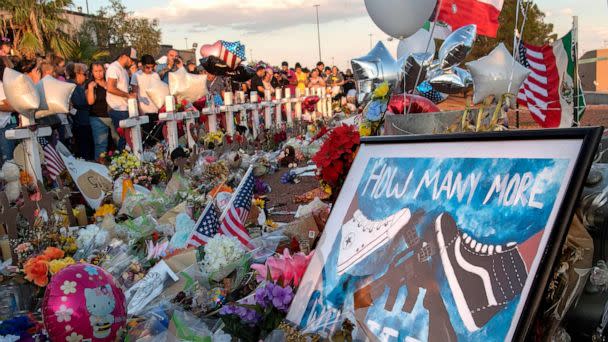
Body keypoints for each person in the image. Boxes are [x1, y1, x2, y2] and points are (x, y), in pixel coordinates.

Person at [106, 47, 137, 151]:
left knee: (128, 138)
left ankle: (126, 161)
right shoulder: (114, 68)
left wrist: (129, 93)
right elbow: (110, 88)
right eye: (131, 59)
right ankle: (120, 162)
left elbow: (122, 88)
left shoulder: (123, 69)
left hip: (124, 107)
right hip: (117, 108)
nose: (132, 62)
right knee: (124, 137)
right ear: (124, 56)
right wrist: (127, 95)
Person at [130, 54, 163, 147]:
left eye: (152, 67)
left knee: (156, 137)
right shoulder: (136, 75)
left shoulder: (155, 75)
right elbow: (134, 94)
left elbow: (159, 91)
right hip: (143, 110)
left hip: (155, 109)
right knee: (146, 138)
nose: (150, 70)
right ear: (142, 65)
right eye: (147, 67)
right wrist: (140, 111)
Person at [66, 63, 94, 160]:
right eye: (85, 74)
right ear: (77, 74)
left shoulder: (76, 86)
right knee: (83, 150)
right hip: (79, 123)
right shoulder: (72, 86)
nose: (86, 78)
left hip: (81, 121)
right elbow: (79, 103)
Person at [87, 62, 113, 160]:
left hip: (112, 115)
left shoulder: (110, 83)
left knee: (119, 141)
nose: (99, 74)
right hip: (97, 118)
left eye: (100, 71)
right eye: (96, 71)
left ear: (104, 70)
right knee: (101, 145)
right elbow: (90, 101)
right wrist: (90, 88)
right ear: (92, 72)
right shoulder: (90, 84)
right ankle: (100, 167)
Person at [0, 57, 16, 164]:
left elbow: (10, 106)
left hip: (5, 127)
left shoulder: (2, 84)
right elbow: (10, 106)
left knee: (8, 164)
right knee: (7, 164)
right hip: (4, 128)